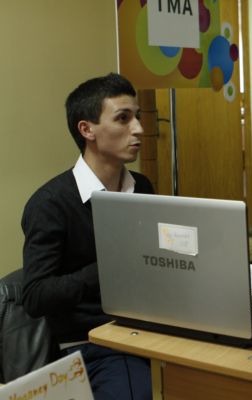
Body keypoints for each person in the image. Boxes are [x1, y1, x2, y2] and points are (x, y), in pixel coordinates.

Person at [21, 73, 154, 399]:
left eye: (137, 117)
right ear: (87, 130)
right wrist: (108, 269)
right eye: (123, 118)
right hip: (93, 343)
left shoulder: (142, 187)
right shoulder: (50, 204)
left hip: (149, 329)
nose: (138, 128)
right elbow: (36, 296)